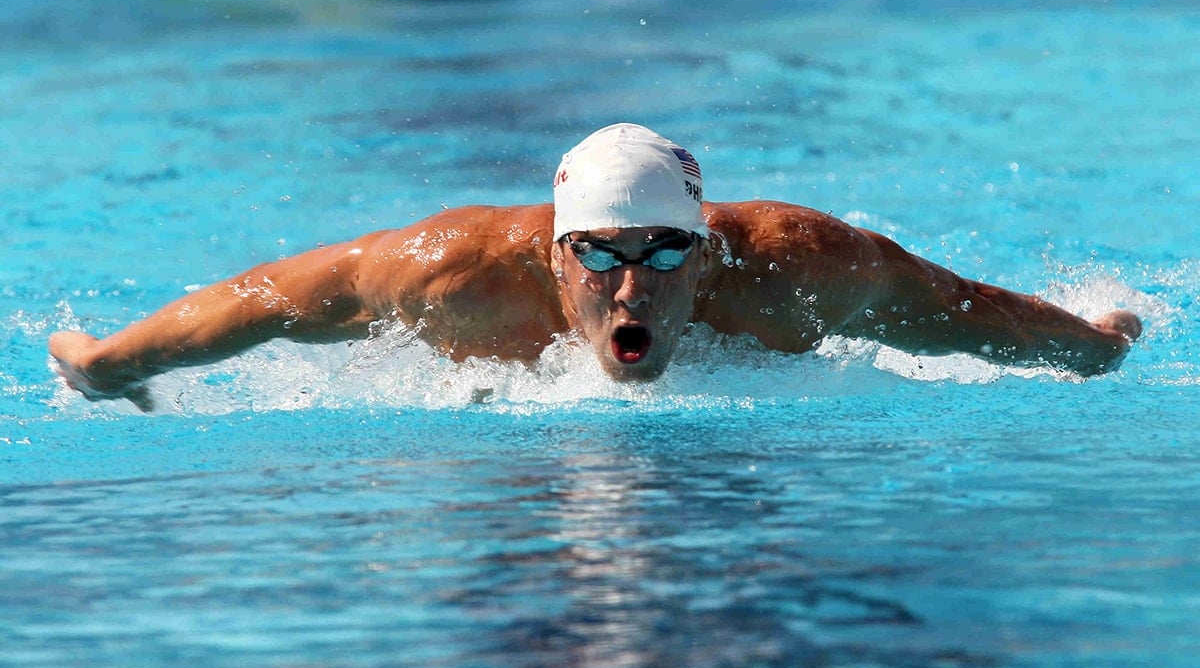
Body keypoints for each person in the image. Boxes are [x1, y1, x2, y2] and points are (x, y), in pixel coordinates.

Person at [50, 123, 1141, 409]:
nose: (634, 288)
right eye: (603, 258)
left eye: (667, 251)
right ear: (556, 253)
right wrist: (108, 362)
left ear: (708, 250)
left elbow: (957, 312)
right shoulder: (451, 274)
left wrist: (1093, 345)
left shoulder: (802, 270)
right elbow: (265, 303)